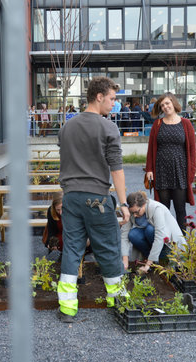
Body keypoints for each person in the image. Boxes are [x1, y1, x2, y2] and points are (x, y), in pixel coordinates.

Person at [57, 76, 130, 323]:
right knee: (108, 247)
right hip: (96, 199)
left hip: (70, 198)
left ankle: (67, 308)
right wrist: (123, 203)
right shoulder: (108, 127)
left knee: (72, 248)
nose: (114, 104)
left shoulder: (66, 127)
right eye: (111, 99)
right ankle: (117, 300)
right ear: (99, 97)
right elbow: (116, 169)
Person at [146, 92, 196, 232]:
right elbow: (151, 149)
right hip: (161, 171)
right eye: (162, 105)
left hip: (180, 171)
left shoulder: (186, 124)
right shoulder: (157, 124)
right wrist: (149, 169)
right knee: (162, 210)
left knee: (180, 209)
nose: (165, 107)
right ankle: (165, 242)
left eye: (167, 103)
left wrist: (191, 173)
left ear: (173, 103)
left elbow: (192, 151)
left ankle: (182, 245)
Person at [121, 191, 186, 273]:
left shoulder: (156, 208)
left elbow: (160, 236)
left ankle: (162, 258)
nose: (134, 215)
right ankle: (152, 259)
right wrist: (125, 260)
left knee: (150, 230)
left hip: (166, 241)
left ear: (144, 204)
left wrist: (147, 265)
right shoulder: (132, 210)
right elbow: (124, 234)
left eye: (137, 212)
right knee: (133, 234)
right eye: (132, 212)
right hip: (151, 237)